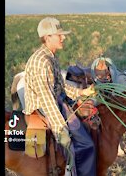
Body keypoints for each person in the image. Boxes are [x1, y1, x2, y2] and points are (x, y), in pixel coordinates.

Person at [24, 17, 96, 176]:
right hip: (43, 106)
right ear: (47, 37)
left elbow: (59, 87)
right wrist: (60, 129)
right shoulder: (42, 62)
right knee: (85, 144)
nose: (63, 37)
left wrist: (81, 93)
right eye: (59, 35)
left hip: (53, 100)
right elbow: (47, 99)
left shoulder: (50, 56)